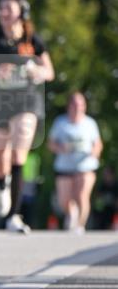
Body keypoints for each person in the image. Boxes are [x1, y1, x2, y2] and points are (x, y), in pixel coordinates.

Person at [0, 0, 54, 234]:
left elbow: (50, 72)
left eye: (9, 9)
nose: (3, 13)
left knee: (18, 155)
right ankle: (1, 185)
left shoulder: (32, 41)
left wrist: (35, 70)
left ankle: (14, 216)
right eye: (1, 9)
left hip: (26, 102)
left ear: (22, 13)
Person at [48, 92, 103, 232]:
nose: (78, 107)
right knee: (64, 200)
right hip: (64, 166)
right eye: (75, 104)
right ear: (69, 106)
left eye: (81, 104)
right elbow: (51, 144)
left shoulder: (90, 123)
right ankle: (72, 212)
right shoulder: (60, 122)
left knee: (82, 195)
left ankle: (79, 225)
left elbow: (98, 144)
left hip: (85, 165)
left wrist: (94, 153)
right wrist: (61, 148)